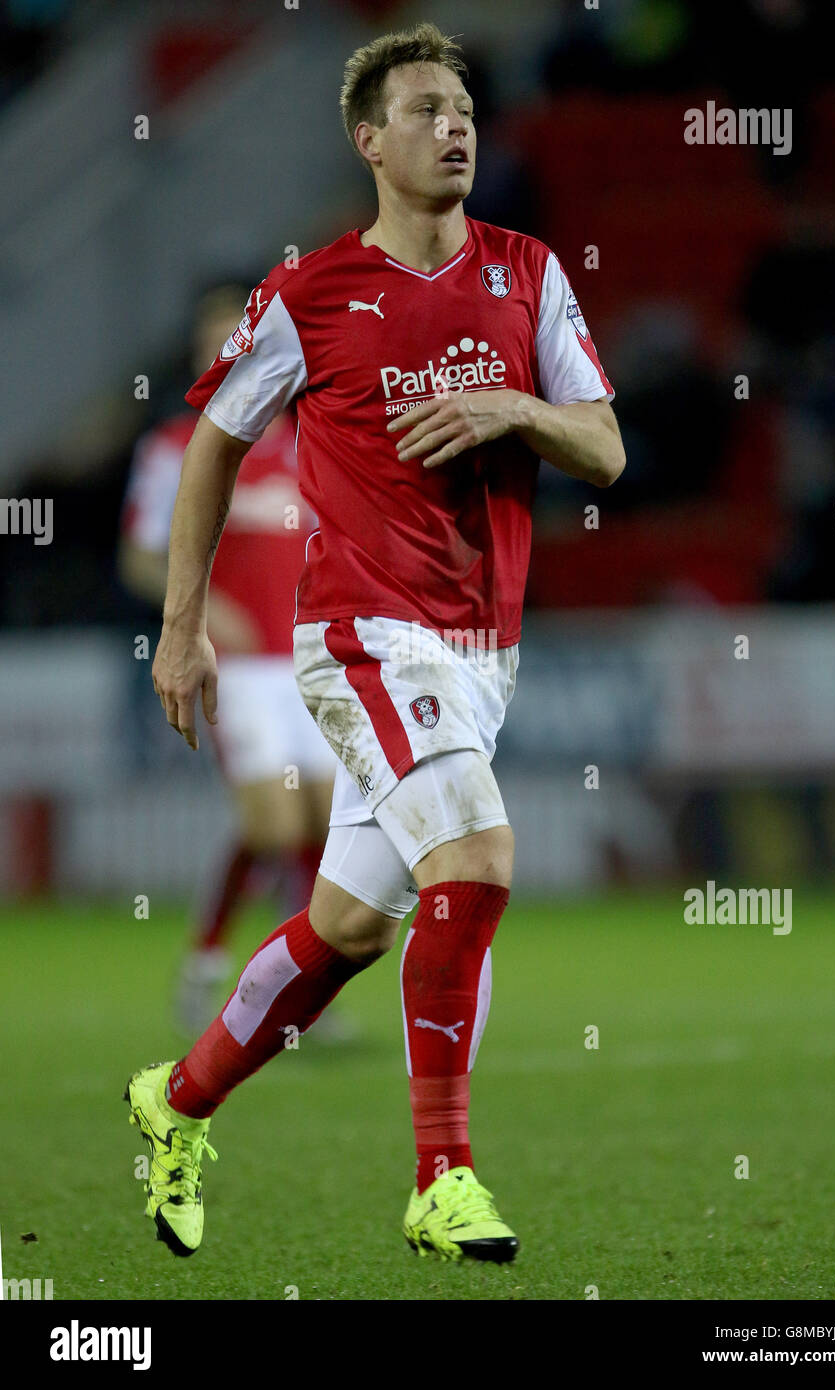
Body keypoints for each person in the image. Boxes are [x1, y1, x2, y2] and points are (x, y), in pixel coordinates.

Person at [125, 20, 624, 1265]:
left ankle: (175, 1101)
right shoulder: (311, 295)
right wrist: (181, 627)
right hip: (359, 634)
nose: (452, 126)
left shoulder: (529, 273)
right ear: (369, 141)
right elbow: (211, 450)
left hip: (479, 650)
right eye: (421, 109)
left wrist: (514, 406)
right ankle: (440, 1176)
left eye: (460, 107)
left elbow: (605, 448)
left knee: (349, 928)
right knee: (482, 856)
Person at [119, 282, 339, 1033]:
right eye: (214, 336)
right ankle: (209, 961)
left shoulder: (310, 442)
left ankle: (303, 991)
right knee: (275, 826)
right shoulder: (174, 448)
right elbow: (140, 557)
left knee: (320, 824)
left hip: (310, 660)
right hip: (238, 670)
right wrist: (201, 616)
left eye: (237, 336)